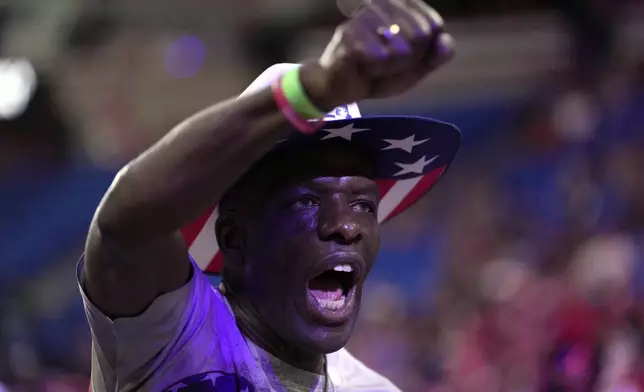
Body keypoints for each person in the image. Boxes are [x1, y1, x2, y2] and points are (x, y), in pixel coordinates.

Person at [78, 0, 461, 390]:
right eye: (307, 201)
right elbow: (124, 226)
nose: (345, 225)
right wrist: (310, 92)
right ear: (233, 237)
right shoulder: (169, 337)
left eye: (363, 204)